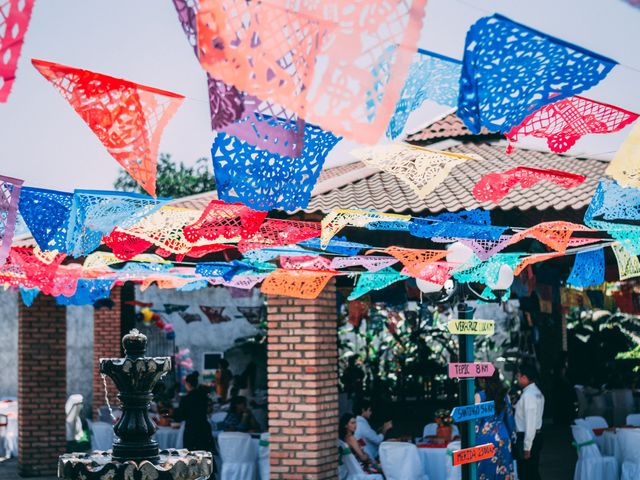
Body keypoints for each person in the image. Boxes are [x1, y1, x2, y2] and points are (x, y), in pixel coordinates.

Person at [474, 370, 516, 480]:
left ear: (483, 380)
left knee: (485, 472)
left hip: (485, 437)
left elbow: (476, 423)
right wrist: (512, 437)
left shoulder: (479, 396)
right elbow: (510, 419)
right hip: (503, 436)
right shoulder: (504, 395)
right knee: (504, 471)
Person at [514, 364, 545, 480]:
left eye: (518, 376)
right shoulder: (536, 392)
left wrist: (527, 447)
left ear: (525, 377)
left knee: (526, 473)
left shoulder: (529, 395)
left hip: (528, 437)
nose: (517, 379)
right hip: (535, 436)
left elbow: (530, 423)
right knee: (532, 471)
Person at [177, 372, 214, 452]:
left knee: (191, 456)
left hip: (191, 430)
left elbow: (181, 416)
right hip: (204, 428)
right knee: (205, 455)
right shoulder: (203, 396)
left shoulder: (185, 399)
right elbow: (209, 410)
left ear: (188, 384)